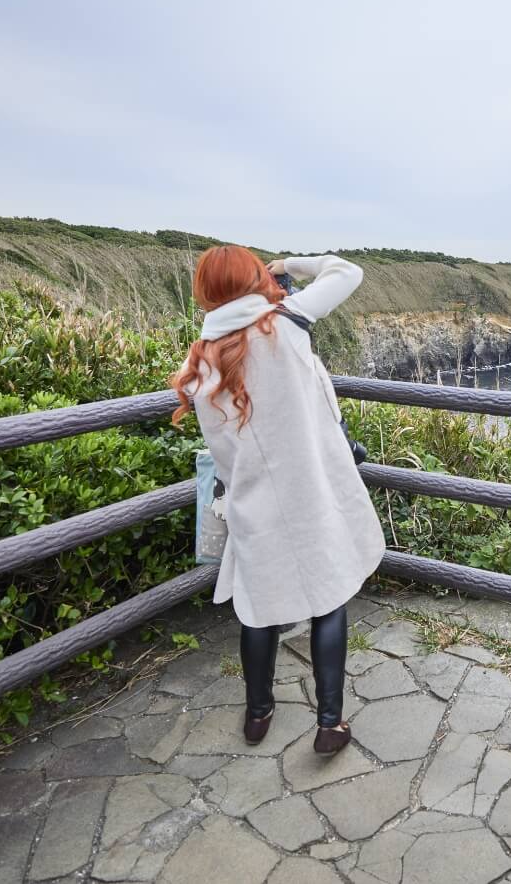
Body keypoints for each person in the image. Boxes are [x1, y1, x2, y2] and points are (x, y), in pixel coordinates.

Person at [171, 246, 385, 755]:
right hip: (310, 492)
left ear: (205, 293)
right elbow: (346, 270)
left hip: (251, 501)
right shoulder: (285, 323)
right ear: (253, 280)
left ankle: (258, 714)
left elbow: (223, 453)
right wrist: (286, 267)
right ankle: (329, 724)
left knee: (258, 609)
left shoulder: (199, 363)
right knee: (328, 599)